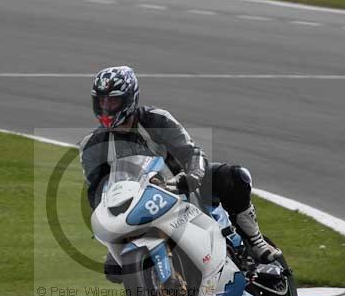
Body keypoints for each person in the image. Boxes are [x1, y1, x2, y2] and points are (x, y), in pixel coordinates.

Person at [79, 66, 281, 281]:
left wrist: (191, 176)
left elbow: (191, 152)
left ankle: (255, 240)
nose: (106, 107)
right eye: (102, 101)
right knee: (114, 270)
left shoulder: (156, 120)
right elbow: (97, 192)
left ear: (129, 99)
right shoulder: (92, 145)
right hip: (137, 206)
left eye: (113, 101)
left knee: (235, 176)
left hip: (182, 189)